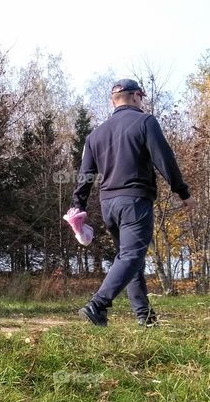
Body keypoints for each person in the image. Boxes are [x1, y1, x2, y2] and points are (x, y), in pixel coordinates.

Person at [71, 79, 195, 327]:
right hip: (135, 201)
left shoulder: (95, 135)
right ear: (137, 96)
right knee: (131, 257)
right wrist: (182, 191)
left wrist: (78, 204)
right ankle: (98, 304)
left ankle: (145, 317)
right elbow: (165, 159)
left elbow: (85, 175)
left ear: (112, 101)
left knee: (128, 258)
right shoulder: (145, 122)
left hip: (108, 205)